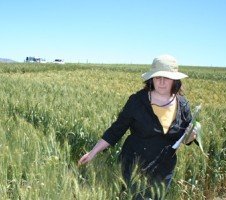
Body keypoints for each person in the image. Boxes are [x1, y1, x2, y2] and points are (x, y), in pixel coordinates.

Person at [78, 54, 200, 199]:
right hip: (134, 165)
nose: (161, 82)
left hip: (163, 169)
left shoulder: (183, 104)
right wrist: (93, 152)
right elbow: (116, 130)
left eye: (166, 78)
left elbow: (185, 136)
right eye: (157, 77)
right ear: (151, 79)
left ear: (174, 80)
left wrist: (191, 137)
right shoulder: (136, 101)